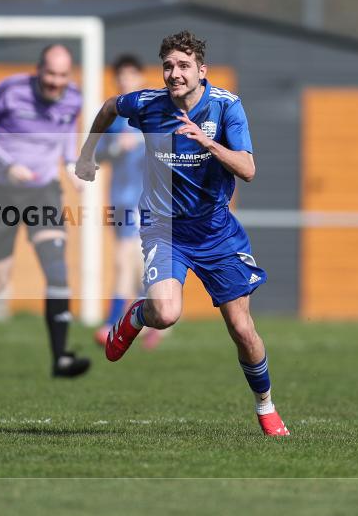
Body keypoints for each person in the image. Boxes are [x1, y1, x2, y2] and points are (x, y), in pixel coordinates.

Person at [75, 30, 289, 436]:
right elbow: (107, 108)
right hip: (164, 227)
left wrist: (208, 143)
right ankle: (137, 315)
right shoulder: (148, 104)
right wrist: (87, 155)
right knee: (167, 313)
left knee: (242, 330)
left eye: (184, 65)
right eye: (169, 66)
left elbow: (248, 169)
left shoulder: (227, 107)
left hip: (216, 230)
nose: (175, 73)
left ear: (201, 71)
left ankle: (266, 406)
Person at [0, 44, 91, 379]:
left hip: (44, 193)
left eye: (62, 75)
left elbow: (65, 140)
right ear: (38, 70)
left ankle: (61, 357)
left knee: (58, 271)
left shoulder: (73, 98)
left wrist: (72, 167)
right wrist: (8, 164)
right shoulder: (10, 90)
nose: (55, 82)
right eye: (50, 74)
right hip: (0, 192)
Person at [93, 55, 162, 350]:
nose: (125, 79)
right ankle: (152, 318)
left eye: (131, 74)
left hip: (142, 201)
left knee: (125, 261)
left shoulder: (150, 114)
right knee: (132, 265)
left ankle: (112, 322)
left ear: (140, 77)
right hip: (118, 199)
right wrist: (114, 147)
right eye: (121, 75)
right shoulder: (113, 116)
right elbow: (98, 155)